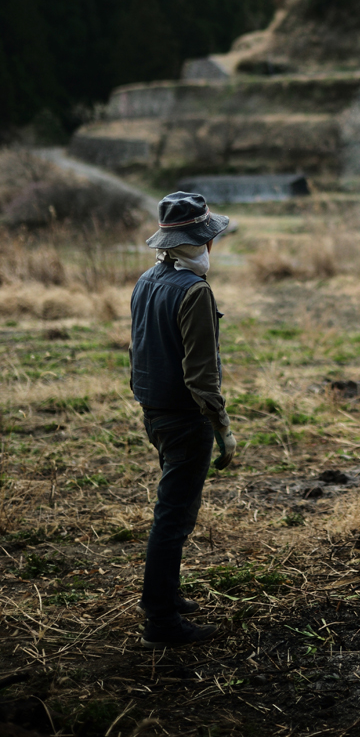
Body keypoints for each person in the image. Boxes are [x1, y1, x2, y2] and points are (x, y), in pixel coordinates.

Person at [130, 191, 237, 648]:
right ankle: (161, 621)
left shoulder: (146, 280)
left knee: (171, 512)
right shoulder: (194, 291)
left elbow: (138, 351)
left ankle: (167, 595)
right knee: (174, 517)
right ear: (202, 243)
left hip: (154, 412)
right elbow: (202, 374)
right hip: (185, 418)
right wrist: (222, 428)